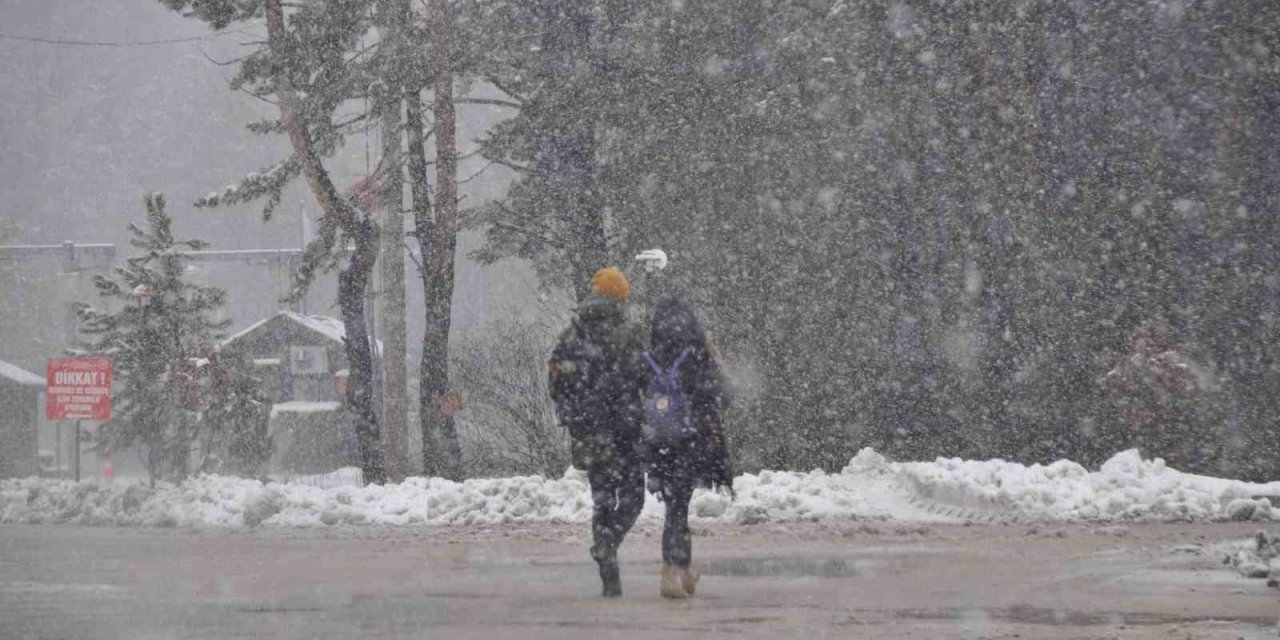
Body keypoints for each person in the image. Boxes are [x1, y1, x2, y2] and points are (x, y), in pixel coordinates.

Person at [548, 267, 648, 597]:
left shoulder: (571, 334)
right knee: (633, 499)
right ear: (620, 297)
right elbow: (647, 379)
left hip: (589, 431)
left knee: (602, 501)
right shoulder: (631, 332)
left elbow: (556, 381)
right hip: (626, 428)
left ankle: (610, 577)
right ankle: (608, 543)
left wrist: (575, 417)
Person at [643, 297, 733, 599]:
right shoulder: (696, 356)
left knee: (675, 506)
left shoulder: (651, 356)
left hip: (658, 444)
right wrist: (714, 355)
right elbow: (724, 397)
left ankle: (683, 569)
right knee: (678, 509)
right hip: (688, 443)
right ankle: (671, 572)